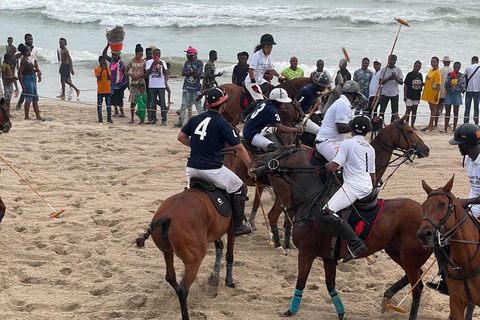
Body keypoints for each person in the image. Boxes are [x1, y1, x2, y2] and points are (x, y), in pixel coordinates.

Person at [177, 86, 254, 236]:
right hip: (213, 170)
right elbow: (239, 148)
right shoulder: (223, 123)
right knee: (240, 187)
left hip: (191, 168)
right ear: (223, 105)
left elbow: (181, 137)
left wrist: (196, 145)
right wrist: (250, 168)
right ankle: (237, 226)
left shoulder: (195, 119)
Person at [427, 123, 480, 295]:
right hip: (473, 206)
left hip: (473, 204)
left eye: (459, 145)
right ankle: (445, 278)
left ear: (465, 145)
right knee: (441, 234)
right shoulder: (469, 160)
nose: (458, 148)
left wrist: (466, 201)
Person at [323, 114, 375, 263]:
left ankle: (356, 243)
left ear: (351, 129)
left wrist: (326, 166)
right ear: (367, 132)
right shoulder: (370, 148)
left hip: (354, 187)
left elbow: (333, 167)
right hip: (368, 187)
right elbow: (373, 176)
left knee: (327, 211)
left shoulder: (347, 144)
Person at [315, 80, 361, 161]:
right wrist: (359, 127)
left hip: (337, 141)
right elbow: (341, 128)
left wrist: (369, 122)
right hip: (327, 142)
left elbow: (355, 121)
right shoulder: (342, 104)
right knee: (343, 165)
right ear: (354, 94)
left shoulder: (346, 104)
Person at [241, 34, 283, 120]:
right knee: (259, 101)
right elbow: (251, 70)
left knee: (270, 89)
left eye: (271, 47)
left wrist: (279, 76)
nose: (270, 49)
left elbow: (271, 70)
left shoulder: (268, 57)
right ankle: (245, 115)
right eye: (268, 47)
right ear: (263, 46)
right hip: (251, 81)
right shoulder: (257, 55)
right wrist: (253, 83)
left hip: (261, 80)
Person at [175, 46, 203, 128]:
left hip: (196, 88)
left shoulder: (199, 63)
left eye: (188, 54)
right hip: (186, 88)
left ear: (193, 55)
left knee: (199, 107)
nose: (187, 56)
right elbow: (183, 73)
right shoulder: (186, 63)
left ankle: (202, 122)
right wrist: (192, 72)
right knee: (183, 105)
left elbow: (198, 74)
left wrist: (189, 73)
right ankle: (180, 122)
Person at [15, 34, 41, 111]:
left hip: (32, 71)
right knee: (26, 89)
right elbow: (15, 56)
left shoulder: (34, 49)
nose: (31, 41)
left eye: (32, 39)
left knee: (34, 89)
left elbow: (35, 61)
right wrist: (23, 52)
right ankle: (20, 103)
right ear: (25, 39)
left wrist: (38, 70)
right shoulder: (22, 48)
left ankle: (35, 106)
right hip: (25, 72)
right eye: (29, 39)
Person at [102, 43, 128, 118]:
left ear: (119, 56)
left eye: (116, 55)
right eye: (113, 55)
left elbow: (125, 74)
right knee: (113, 97)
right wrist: (108, 45)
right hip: (113, 83)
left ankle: (122, 112)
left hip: (121, 84)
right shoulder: (112, 61)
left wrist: (128, 85)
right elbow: (104, 54)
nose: (114, 57)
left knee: (120, 97)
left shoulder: (121, 63)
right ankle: (116, 111)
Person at [125, 44, 148, 124]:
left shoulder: (144, 62)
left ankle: (142, 119)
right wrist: (131, 75)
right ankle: (132, 118)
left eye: (142, 54)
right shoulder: (131, 61)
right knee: (133, 101)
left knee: (142, 101)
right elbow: (125, 71)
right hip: (134, 83)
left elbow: (147, 73)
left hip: (141, 82)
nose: (140, 56)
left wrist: (140, 76)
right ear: (136, 53)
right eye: (139, 54)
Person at [145, 48, 168, 125]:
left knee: (162, 103)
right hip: (152, 85)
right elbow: (148, 73)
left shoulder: (163, 62)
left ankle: (164, 119)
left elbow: (165, 73)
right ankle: (153, 119)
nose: (157, 56)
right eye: (155, 54)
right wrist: (153, 64)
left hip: (161, 86)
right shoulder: (149, 62)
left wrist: (162, 65)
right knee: (153, 103)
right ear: (153, 55)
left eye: (158, 54)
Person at [378, 55, 403, 123]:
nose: (392, 62)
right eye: (391, 60)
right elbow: (380, 82)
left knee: (394, 112)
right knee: (382, 111)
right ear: (388, 60)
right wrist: (389, 78)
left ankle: (393, 125)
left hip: (394, 93)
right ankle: (380, 124)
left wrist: (395, 78)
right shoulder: (384, 69)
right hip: (385, 93)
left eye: (394, 60)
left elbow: (401, 82)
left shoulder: (398, 70)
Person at [443, 62, 466, 133]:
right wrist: (450, 79)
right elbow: (445, 85)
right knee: (447, 112)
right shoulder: (449, 74)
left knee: (456, 112)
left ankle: (454, 129)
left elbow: (463, 87)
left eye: (457, 67)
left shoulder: (462, 76)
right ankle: (445, 128)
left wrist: (456, 86)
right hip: (449, 93)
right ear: (453, 67)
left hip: (457, 93)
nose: (456, 68)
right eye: (455, 66)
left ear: (459, 67)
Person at [421, 57, 442, 132]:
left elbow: (438, 85)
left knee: (434, 109)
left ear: (437, 62)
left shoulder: (437, 72)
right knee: (431, 109)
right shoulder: (430, 70)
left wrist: (436, 95)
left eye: (434, 62)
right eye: (431, 62)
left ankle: (430, 125)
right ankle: (430, 124)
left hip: (434, 93)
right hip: (428, 92)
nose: (432, 63)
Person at [403, 61, 423, 130]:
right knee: (408, 111)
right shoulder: (409, 75)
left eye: (418, 66)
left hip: (417, 96)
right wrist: (405, 95)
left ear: (420, 67)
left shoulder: (420, 75)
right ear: (414, 66)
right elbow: (405, 85)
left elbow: (421, 85)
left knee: (414, 111)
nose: (417, 67)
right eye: (416, 66)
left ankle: (412, 125)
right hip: (409, 95)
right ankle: (406, 124)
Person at [436, 56, 453, 127]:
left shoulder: (440, 70)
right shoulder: (451, 70)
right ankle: (446, 123)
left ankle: (435, 123)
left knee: (438, 108)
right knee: (447, 109)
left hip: (440, 91)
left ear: (443, 62)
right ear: (449, 62)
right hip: (448, 92)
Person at [95, 56, 112, 123]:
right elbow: (98, 78)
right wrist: (102, 70)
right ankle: (100, 118)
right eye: (103, 60)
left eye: (105, 60)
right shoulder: (97, 69)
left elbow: (109, 78)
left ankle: (109, 118)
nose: (104, 62)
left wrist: (106, 70)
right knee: (99, 106)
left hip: (107, 89)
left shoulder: (108, 69)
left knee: (109, 106)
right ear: (100, 61)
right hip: (100, 90)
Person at [464, 56, 480, 125]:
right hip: (477, 90)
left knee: (467, 107)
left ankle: (466, 122)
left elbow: (464, 79)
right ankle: (476, 122)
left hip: (469, 90)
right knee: (476, 107)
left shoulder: (468, 68)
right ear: (478, 61)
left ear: (472, 60)